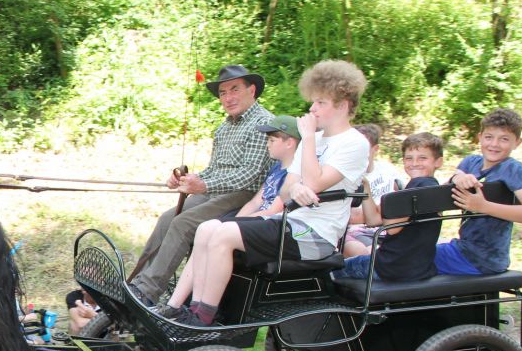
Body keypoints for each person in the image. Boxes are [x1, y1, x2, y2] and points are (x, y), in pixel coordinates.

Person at [160, 60, 370, 327]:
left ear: (342, 105)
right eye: (313, 102)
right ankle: (186, 308)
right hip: (288, 223)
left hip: (315, 234)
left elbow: (315, 181)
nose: (312, 109)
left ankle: (203, 317)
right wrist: (298, 187)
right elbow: (287, 188)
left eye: (320, 103)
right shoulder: (315, 140)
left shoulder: (353, 143)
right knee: (207, 228)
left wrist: (307, 142)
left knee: (223, 234)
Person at [128, 64, 275, 306]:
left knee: (183, 223)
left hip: (246, 195)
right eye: (223, 93)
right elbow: (213, 170)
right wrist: (187, 179)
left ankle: (147, 291)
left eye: (234, 90)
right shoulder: (225, 127)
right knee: (167, 219)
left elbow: (249, 175)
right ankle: (136, 282)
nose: (228, 98)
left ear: (252, 90)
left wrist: (204, 185)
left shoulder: (263, 122)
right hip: (216, 191)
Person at [158, 115, 301, 311]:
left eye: (271, 140)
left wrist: (234, 224)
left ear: (289, 143)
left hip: (270, 225)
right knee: (205, 229)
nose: (267, 144)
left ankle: (203, 310)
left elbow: (272, 209)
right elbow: (256, 201)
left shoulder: (293, 174)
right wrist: (236, 220)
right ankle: (176, 305)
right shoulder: (276, 168)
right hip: (256, 221)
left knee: (215, 232)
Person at [434, 108, 522, 276]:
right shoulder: (471, 162)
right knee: (406, 252)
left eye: (504, 139)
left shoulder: (512, 169)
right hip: (462, 248)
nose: (494, 144)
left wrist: (483, 207)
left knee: (405, 259)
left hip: (484, 259)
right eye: (489, 137)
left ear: (517, 142)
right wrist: (456, 178)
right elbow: (440, 198)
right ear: (480, 137)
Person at [335, 132, 444, 281]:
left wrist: (390, 201)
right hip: (416, 267)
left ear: (438, 162)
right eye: (409, 158)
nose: (414, 163)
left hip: (391, 267)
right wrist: (365, 186)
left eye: (422, 158)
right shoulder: (430, 187)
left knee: (331, 271)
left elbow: (392, 228)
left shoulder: (420, 187)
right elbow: (373, 220)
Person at [343, 124, 404, 258]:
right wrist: (382, 213)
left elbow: (401, 205)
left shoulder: (388, 170)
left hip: (389, 229)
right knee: (372, 253)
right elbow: (351, 216)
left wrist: (377, 213)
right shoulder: (343, 175)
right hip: (356, 231)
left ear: (375, 149)